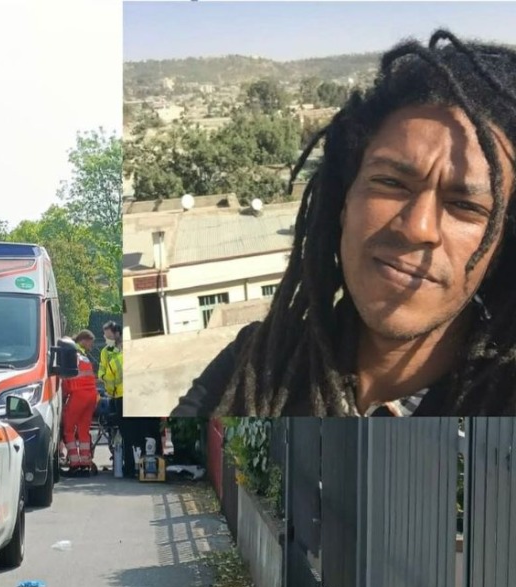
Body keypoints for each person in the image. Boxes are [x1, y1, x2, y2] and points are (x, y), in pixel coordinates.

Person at [172, 31, 516, 417]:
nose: (418, 227)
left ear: (501, 244)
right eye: (389, 183)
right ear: (344, 199)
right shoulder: (252, 367)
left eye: (464, 205)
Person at [60, 330, 99, 464]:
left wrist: (63, 396)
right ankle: (85, 460)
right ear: (83, 340)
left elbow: (66, 381)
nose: (91, 346)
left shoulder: (70, 355)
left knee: (68, 429)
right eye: (91, 343)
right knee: (84, 429)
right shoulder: (83, 356)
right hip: (92, 396)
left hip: (78, 395)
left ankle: (74, 462)